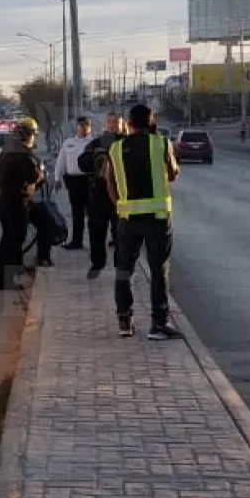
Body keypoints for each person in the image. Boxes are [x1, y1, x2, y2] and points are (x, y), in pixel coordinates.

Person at [104, 104, 184, 340]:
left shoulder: (116, 149)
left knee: (123, 269)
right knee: (158, 270)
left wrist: (122, 205)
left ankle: (124, 321)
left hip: (128, 219)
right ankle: (158, 325)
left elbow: (110, 183)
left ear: (129, 123)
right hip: (157, 219)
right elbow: (173, 173)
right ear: (151, 122)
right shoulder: (161, 144)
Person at [0, 117, 44, 291]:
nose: (34, 139)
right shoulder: (22, 153)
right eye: (33, 135)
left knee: (7, 239)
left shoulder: (8, 148)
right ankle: (10, 280)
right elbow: (33, 176)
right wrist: (41, 170)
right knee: (15, 241)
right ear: (27, 134)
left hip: (5, 200)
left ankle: (3, 278)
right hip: (17, 202)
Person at [79, 113, 122, 278]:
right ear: (105, 124)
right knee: (96, 230)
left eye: (116, 122)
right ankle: (97, 263)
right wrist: (93, 160)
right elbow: (82, 163)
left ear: (121, 124)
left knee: (121, 233)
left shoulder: (126, 143)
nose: (112, 125)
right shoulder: (96, 144)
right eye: (110, 122)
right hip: (98, 193)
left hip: (120, 195)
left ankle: (121, 265)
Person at [53, 116, 92, 250]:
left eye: (86, 125)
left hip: (89, 181)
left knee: (93, 213)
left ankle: (95, 240)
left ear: (89, 126)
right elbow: (61, 161)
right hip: (73, 181)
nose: (83, 128)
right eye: (81, 125)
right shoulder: (69, 143)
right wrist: (57, 178)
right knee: (77, 213)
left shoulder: (93, 143)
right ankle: (76, 241)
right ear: (77, 127)